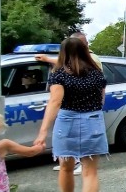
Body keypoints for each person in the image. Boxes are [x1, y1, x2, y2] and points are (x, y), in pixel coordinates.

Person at [34, 37, 108, 192]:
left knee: (66, 166)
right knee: (90, 172)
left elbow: (55, 102)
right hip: (93, 121)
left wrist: (42, 133)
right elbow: (101, 100)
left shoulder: (59, 74)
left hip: (67, 122)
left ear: (63, 52)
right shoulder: (96, 72)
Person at [36, 33, 100, 175]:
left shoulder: (91, 63)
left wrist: (43, 132)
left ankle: (76, 164)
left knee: (82, 168)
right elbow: (101, 94)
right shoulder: (91, 68)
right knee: (85, 170)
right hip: (90, 115)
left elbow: (55, 100)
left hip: (73, 116)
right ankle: (74, 163)